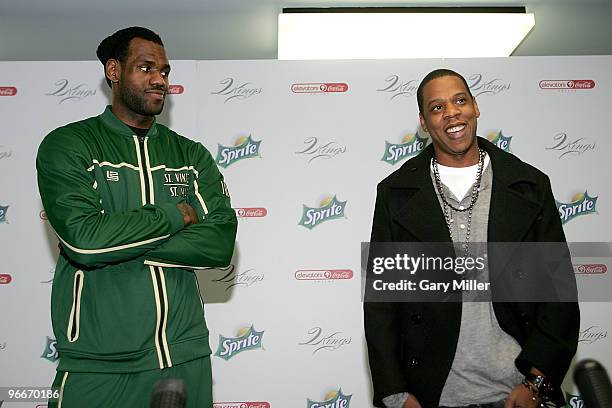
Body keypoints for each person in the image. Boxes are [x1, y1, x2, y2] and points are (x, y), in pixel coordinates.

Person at [37, 27, 237, 408]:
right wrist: (174, 215)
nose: (159, 80)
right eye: (146, 68)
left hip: (184, 357)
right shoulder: (69, 144)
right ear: (114, 71)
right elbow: (85, 241)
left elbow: (219, 243)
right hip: (98, 363)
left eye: (164, 71)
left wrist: (117, 240)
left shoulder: (190, 155)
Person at [364, 69, 579, 408]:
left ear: (475, 107)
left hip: (517, 392)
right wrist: (396, 395)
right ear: (423, 122)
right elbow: (382, 306)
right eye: (437, 107)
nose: (451, 112)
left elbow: (559, 294)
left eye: (460, 100)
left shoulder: (530, 185)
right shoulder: (395, 194)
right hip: (434, 395)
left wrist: (537, 382)